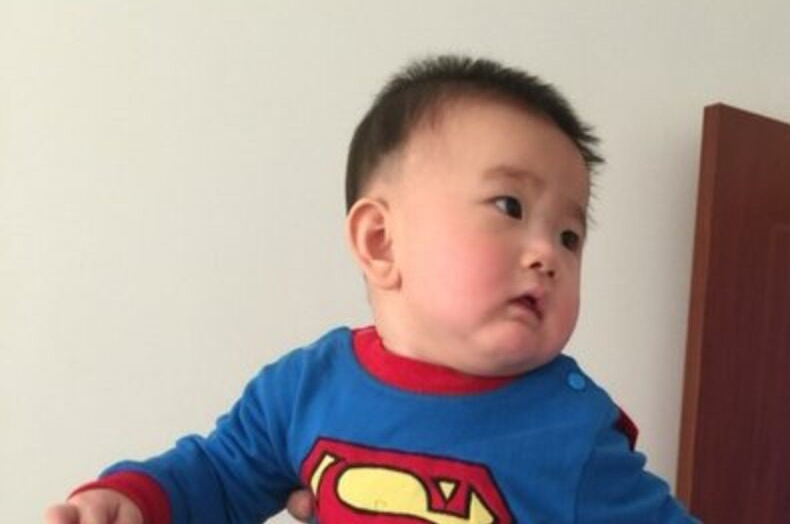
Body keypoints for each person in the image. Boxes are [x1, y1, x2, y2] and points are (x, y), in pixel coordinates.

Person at [44, 54, 700, 524]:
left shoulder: (571, 433)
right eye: (509, 205)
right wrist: (132, 500)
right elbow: (217, 476)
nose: (548, 255)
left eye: (570, 236)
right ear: (381, 241)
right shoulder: (304, 389)